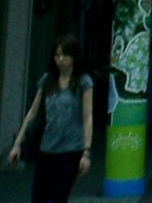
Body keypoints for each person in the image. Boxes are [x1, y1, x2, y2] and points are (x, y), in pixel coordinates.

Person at [7, 34, 94, 203]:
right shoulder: (48, 80)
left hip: (71, 149)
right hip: (47, 147)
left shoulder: (83, 82)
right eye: (57, 55)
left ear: (74, 56)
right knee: (39, 197)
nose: (60, 59)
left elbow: (87, 117)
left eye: (65, 55)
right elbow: (32, 113)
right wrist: (17, 144)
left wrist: (86, 152)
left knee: (58, 197)